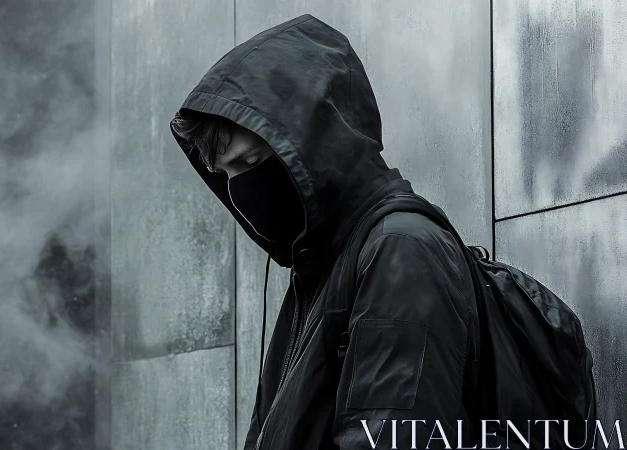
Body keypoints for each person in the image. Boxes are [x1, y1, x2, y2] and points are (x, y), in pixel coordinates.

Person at [169, 14, 479, 450]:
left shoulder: (400, 251)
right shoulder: (322, 269)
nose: (239, 190)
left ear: (312, 144)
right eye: (226, 174)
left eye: (249, 163)